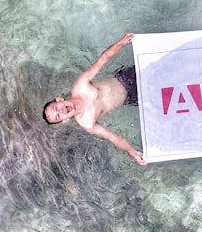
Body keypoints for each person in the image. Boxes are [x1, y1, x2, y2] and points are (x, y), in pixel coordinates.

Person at [42, 32, 146, 165]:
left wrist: (122, 42)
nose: (61, 112)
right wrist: (133, 152)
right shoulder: (87, 122)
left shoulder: (80, 86)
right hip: (133, 98)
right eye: (58, 116)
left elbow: (103, 59)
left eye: (56, 108)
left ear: (60, 100)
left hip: (128, 77)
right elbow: (112, 137)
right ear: (65, 120)